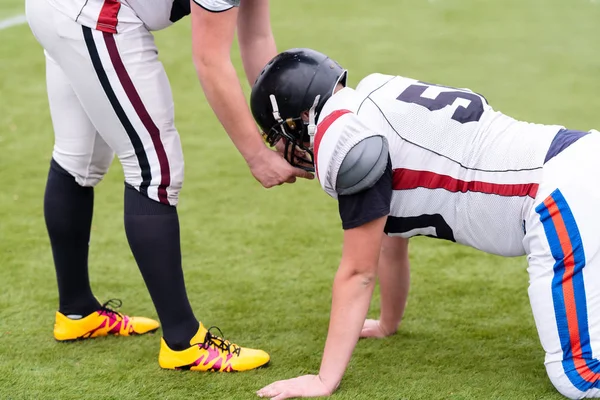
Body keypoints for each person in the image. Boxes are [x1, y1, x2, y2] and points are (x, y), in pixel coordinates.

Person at [250, 48, 600, 399]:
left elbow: (358, 272)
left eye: (278, 136)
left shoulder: (346, 139)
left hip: (559, 198)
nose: (280, 148)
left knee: (577, 375)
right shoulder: (374, 93)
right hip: (582, 154)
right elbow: (389, 239)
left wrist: (323, 380)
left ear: (299, 117)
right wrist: (388, 323)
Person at [25, 0, 312, 372]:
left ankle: (77, 312)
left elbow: (256, 35)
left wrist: (281, 127)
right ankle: (183, 342)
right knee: (154, 169)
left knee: (77, 157)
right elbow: (210, 62)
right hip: (91, 11)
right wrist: (257, 155)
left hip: (56, 8)